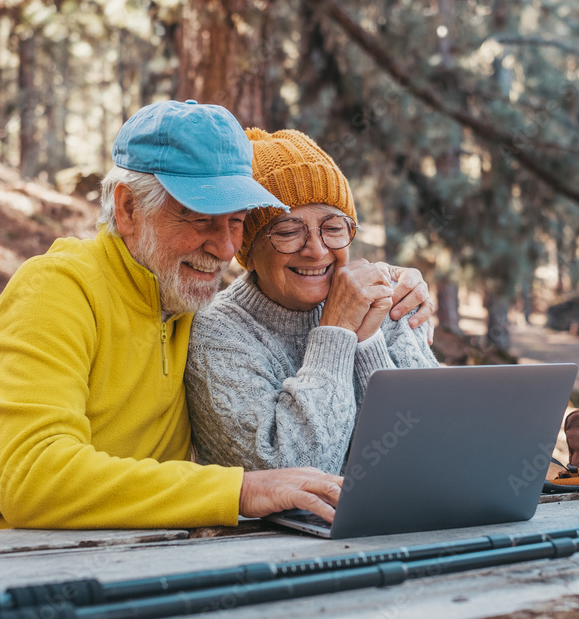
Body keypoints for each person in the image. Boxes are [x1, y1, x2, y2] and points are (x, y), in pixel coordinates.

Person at [0, 101, 431, 534]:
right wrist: (239, 489)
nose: (226, 246)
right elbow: (35, 480)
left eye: (236, 222)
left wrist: (386, 295)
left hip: (117, 563)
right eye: (199, 218)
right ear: (127, 209)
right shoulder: (55, 289)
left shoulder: (185, 304)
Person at [185, 128, 439, 476]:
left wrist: (367, 341)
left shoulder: (388, 302)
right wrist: (336, 333)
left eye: (333, 228)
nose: (317, 250)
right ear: (249, 252)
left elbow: (434, 448)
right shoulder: (217, 333)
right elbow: (295, 475)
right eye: (288, 232)